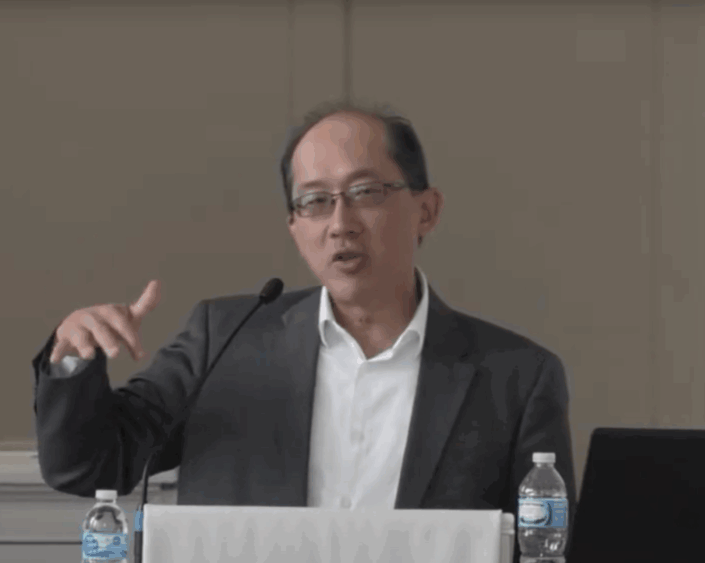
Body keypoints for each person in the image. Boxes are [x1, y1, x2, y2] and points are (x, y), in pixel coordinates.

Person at [32, 101, 576, 523]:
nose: (340, 223)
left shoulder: (516, 378)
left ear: (426, 211)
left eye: (365, 192)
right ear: (296, 228)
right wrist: (71, 362)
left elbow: (541, 562)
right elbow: (91, 465)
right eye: (315, 201)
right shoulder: (224, 340)